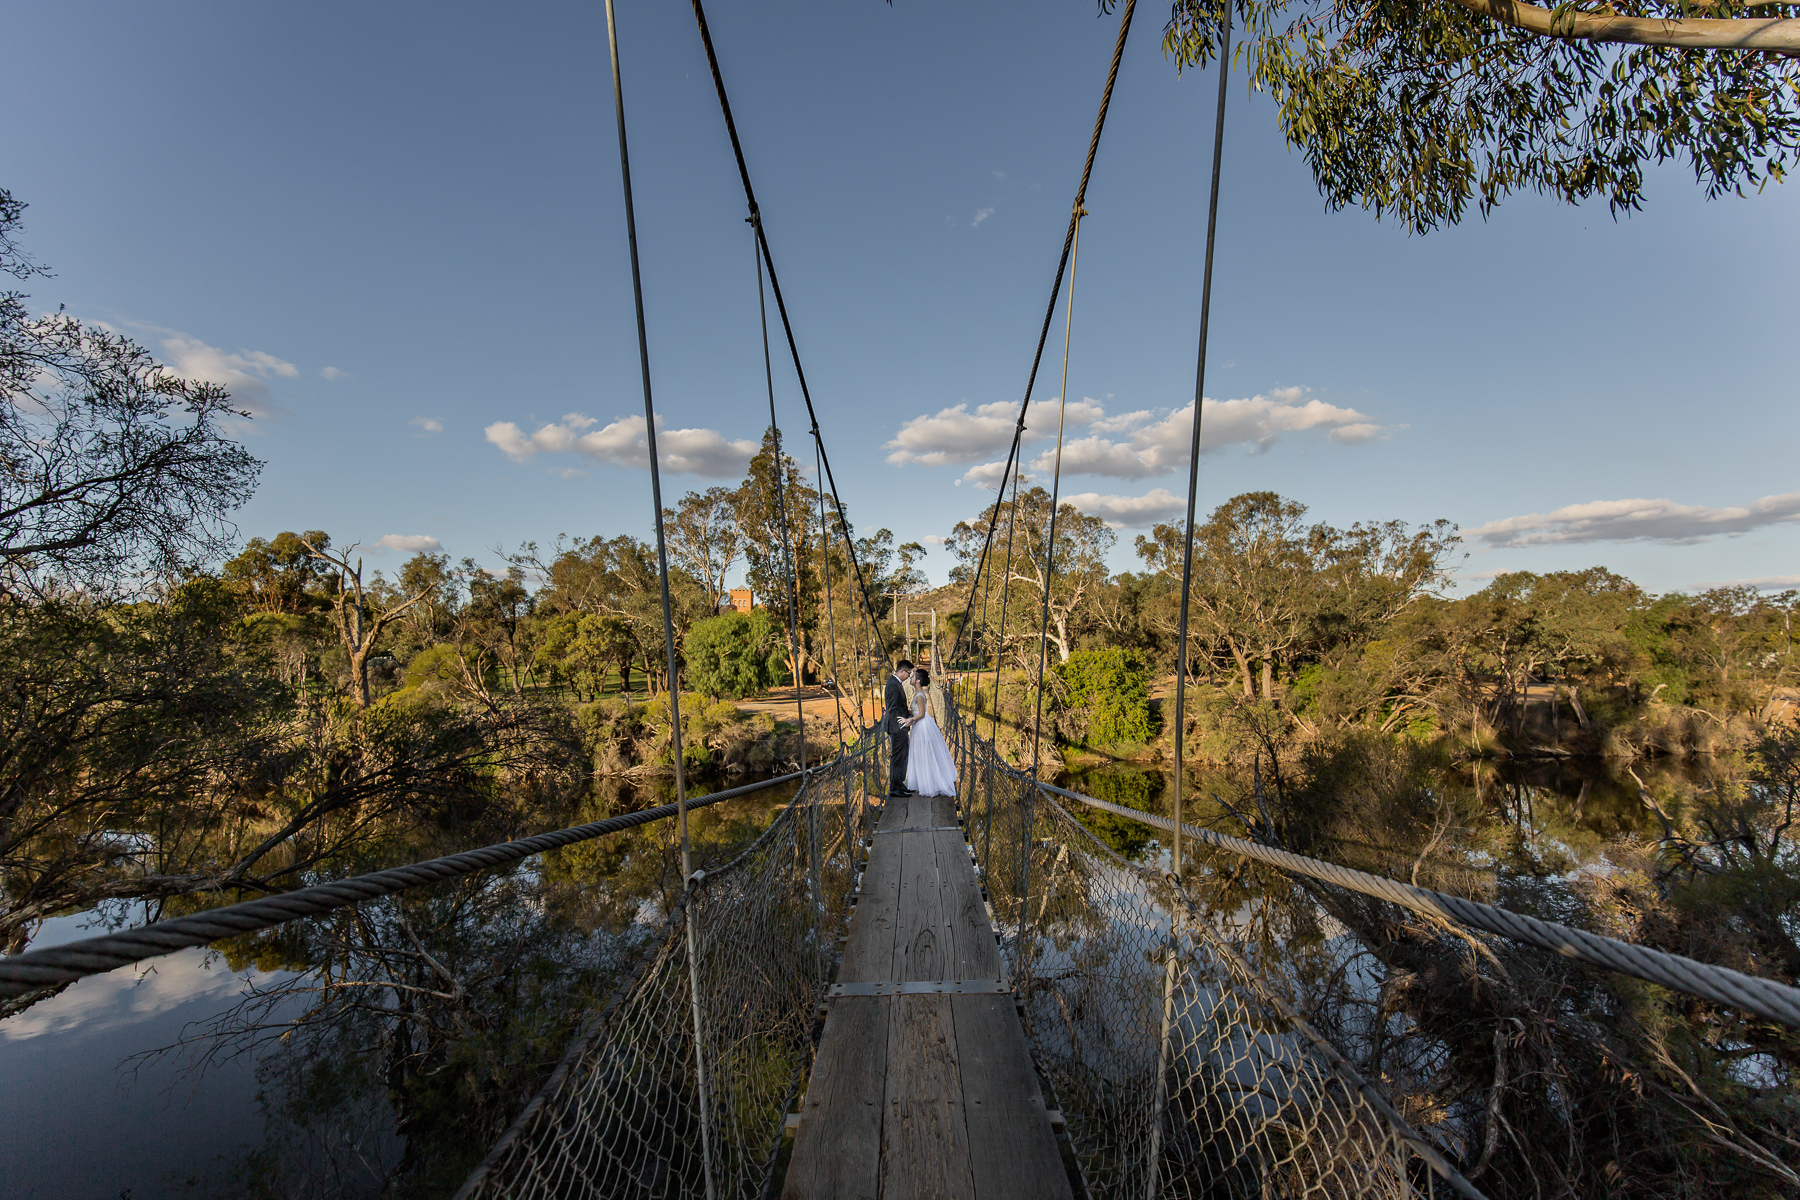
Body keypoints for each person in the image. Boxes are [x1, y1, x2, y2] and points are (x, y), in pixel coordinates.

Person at [902, 668, 958, 798]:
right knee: (921, 753)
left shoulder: (920, 695)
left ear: (918, 681)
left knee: (925, 753)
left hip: (922, 725)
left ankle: (929, 783)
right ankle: (923, 781)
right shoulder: (918, 693)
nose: (910, 677)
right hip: (919, 725)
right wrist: (909, 714)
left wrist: (909, 719)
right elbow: (917, 712)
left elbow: (921, 714)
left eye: (913, 676)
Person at [883, 659, 915, 798]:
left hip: (898, 726)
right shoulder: (892, 685)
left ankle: (899, 784)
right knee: (898, 758)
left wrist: (908, 714)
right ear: (902, 671)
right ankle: (895, 788)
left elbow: (898, 706)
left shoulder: (895, 683)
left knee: (902, 757)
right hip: (897, 727)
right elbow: (893, 708)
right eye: (908, 673)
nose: (909, 676)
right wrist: (905, 721)